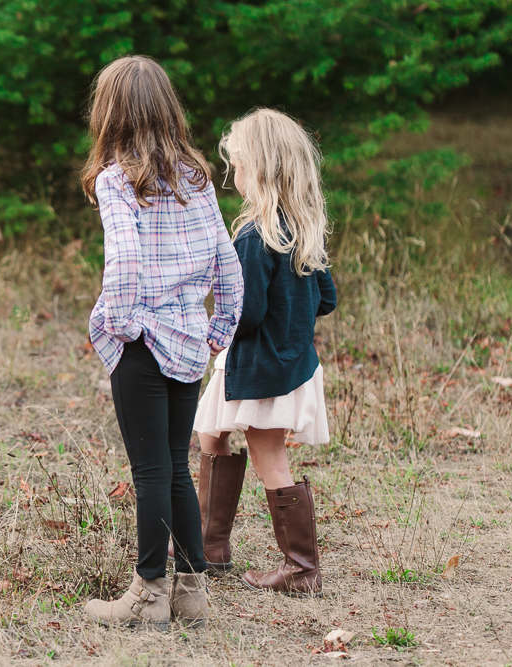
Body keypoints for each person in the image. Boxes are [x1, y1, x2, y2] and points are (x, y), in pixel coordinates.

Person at [80, 55, 244, 630]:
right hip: (189, 342)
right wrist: (217, 330)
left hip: (144, 342)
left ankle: (148, 596)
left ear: (110, 113)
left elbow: (122, 264)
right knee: (176, 466)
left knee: (150, 471)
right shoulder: (194, 179)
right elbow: (228, 264)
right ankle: (191, 592)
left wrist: (123, 327)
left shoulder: (117, 181)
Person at [189, 108, 336, 596]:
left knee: (269, 457)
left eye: (241, 167)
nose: (235, 177)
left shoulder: (256, 235)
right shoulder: (302, 229)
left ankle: (301, 570)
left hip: (259, 368)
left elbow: (246, 313)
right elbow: (328, 299)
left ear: (264, 169)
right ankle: (210, 544)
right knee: (211, 434)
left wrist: (216, 301)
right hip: (287, 363)